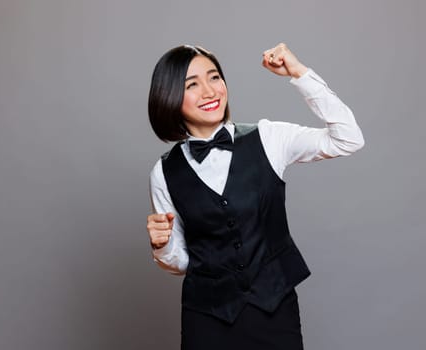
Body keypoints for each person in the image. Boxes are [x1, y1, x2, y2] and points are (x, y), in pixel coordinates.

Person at [146, 43, 364, 350]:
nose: (209, 91)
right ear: (169, 96)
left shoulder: (269, 138)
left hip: (274, 310)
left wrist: (298, 73)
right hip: (205, 318)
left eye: (214, 77)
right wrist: (161, 245)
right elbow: (183, 261)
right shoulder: (164, 172)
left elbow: (348, 138)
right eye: (192, 84)